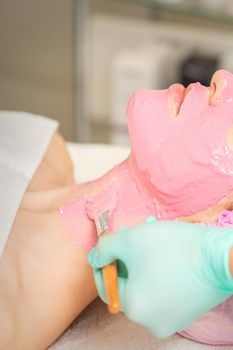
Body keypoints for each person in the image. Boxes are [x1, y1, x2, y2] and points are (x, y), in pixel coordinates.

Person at [1, 68, 233, 349]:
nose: (223, 77)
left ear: (217, 222)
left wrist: (217, 262)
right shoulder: (41, 148)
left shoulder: (9, 318)